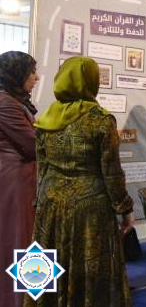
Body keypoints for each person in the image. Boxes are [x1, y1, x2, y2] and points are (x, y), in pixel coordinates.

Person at [25, 56, 134, 307]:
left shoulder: (45, 117)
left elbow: (42, 166)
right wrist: (125, 209)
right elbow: (112, 173)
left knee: (41, 269)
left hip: (50, 204)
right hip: (90, 209)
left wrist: (40, 201)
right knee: (90, 271)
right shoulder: (101, 120)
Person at [0, 51, 38, 307]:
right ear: (17, 74)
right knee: (20, 242)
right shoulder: (6, 103)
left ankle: (33, 296)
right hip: (15, 183)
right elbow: (33, 145)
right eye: (31, 72)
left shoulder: (14, 100)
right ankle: (22, 300)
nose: (36, 77)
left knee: (27, 240)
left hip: (22, 179)